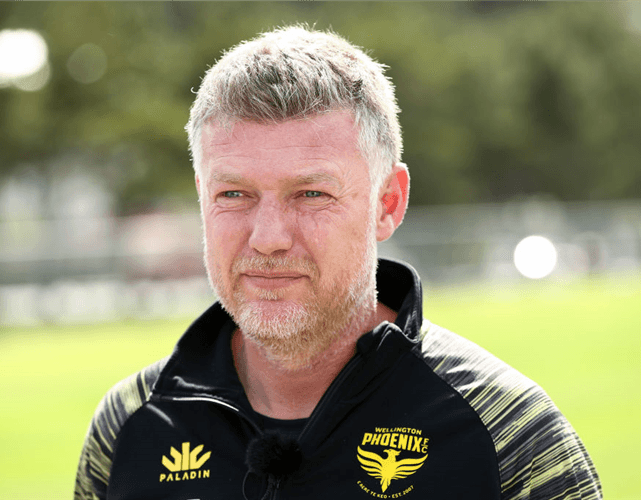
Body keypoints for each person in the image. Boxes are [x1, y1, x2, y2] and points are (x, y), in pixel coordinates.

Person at [74, 25, 602, 500]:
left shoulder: (507, 434)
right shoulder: (128, 427)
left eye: (310, 194)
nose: (269, 239)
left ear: (387, 203)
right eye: (234, 194)